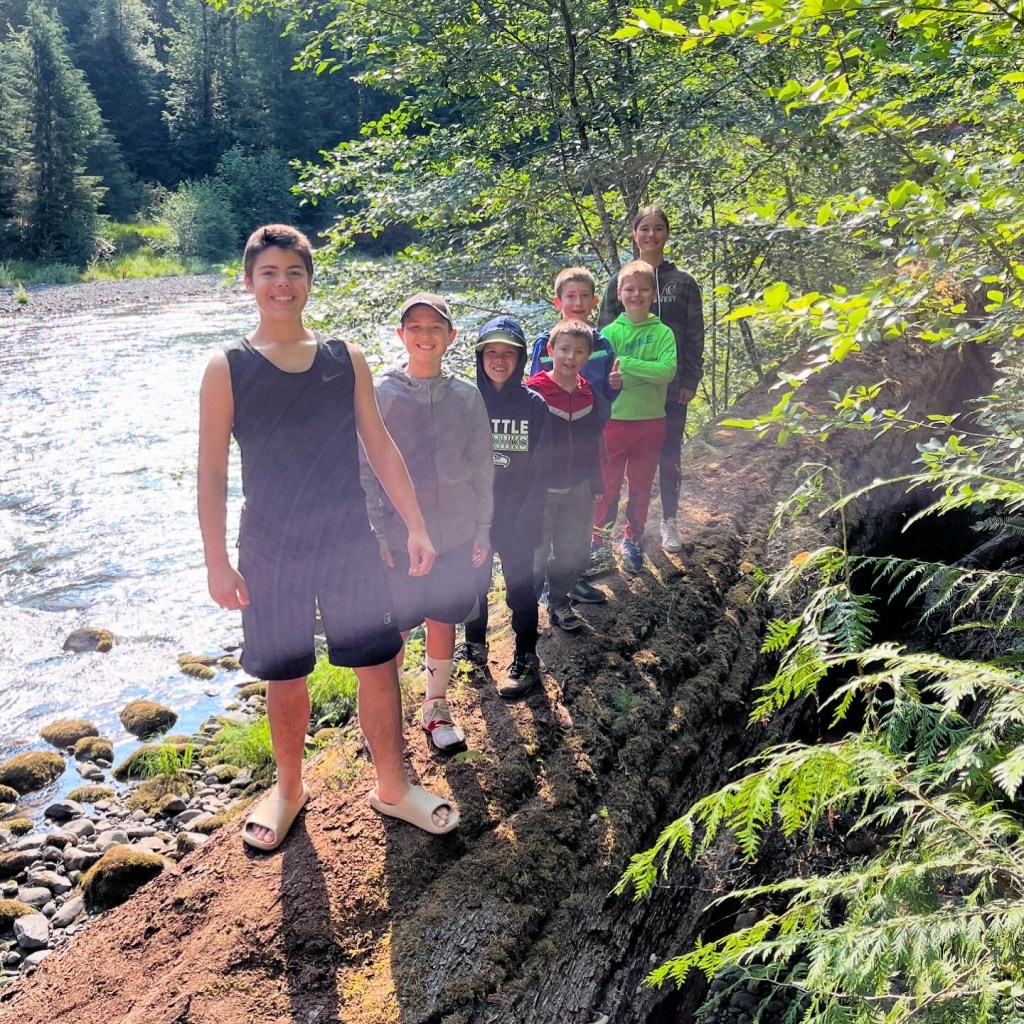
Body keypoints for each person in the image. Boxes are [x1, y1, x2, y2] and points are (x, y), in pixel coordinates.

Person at [198, 225, 458, 848]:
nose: (282, 284)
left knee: (377, 662)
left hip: (349, 539)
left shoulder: (345, 358)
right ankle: (289, 789)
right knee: (284, 672)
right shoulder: (227, 367)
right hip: (269, 546)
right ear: (249, 281)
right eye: (269, 272)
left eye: (294, 272)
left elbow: (381, 446)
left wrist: (416, 525)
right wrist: (216, 561)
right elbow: (210, 472)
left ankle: (392, 786)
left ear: (309, 281)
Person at [361, 292, 494, 753]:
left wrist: (482, 526)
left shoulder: (467, 396)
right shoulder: (381, 394)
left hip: (456, 532)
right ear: (401, 334)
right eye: (415, 327)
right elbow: (366, 469)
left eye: (435, 327)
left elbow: (482, 466)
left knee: (443, 617)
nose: (425, 335)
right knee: (396, 626)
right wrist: (376, 532)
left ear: (451, 336)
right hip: (398, 537)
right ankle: (388, 714)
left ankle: (435, 705)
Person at [599, 206, 704, 553]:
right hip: (624, 394)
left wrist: (690, 378)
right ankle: (607, 532)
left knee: (668, 455)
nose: (651, 235)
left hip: (672, 386)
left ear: (667, 234)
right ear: (634, 234)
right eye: (644, 228)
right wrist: (604, 382)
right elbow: (602, 337)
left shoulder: (683, 282)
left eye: (659, 228)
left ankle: (669, 521)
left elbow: (694, 334)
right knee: (614, 465)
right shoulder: (619, 281)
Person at [460, 315, 550, 697]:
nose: (499, 360)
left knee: (520, 588)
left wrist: (528, 518)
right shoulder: (467, 402)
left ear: (521, 358)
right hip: (475, 518)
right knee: (473, 584)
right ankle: (474, 648)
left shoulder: (534, 406)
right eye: (491, 352)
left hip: (519, 517)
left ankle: (526, 655)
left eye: (508, 353)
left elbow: (542, 470)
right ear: (480, 356)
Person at [530, 265, 619, 598]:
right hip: (551, 445)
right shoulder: (545, 343)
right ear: (559, 302)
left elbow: (605, 392)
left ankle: (570, 582)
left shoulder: (602, 343)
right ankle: (541, 589)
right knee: (543, 529)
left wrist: (613, 388)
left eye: (584, 296)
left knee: (578, 521)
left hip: (589, 429)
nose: (578, 303)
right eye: (571, 296)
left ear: (594, 301)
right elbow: (534, 393)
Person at [592, 259, 676, 574]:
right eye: (629, 289)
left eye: (643, 289)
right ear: (619, 293)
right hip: (614, 422)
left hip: (651, 421)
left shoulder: (663, 333)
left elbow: (666, 372)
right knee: (608, 485)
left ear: (653, 293)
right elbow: (603, 378)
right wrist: (646, 371)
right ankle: (599, 542)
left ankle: (632, 539)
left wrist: (626, 364)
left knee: (640, 486)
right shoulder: (609, 333)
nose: (636, 295)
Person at [527, 319, 609, 630]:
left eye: (578, 351)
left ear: (587, 356)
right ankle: (526, 613)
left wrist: (596, 480)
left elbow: (592, 441)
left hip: (579, 487)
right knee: (534, 554)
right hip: (541, 490)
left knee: (572, 550)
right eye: (564, 349)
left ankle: (559, 601)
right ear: (550, 351)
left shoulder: (587, 393)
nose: (570, 357)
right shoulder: (534, 392)